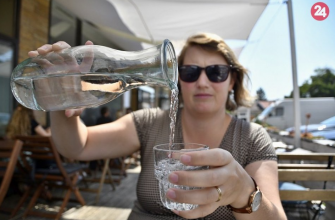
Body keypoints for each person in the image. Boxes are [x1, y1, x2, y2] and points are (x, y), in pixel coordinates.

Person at [28, 33, 287, 220]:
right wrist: (63, 103)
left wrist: (245, 193)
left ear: (232, 81)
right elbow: (78, 147)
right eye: (190, 72)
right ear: (177, 79)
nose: (203, 82)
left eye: (216, 72)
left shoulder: (252, 137)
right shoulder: (149, 122)